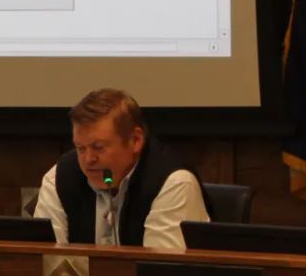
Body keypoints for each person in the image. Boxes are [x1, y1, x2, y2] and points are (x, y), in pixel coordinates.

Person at [33, 88, 209, 250]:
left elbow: (162, 273)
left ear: (135, 140)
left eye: (99, 147)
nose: (88, 159)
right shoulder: (58, 179)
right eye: (80, 148)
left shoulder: (173, 184)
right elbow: (45, 263)